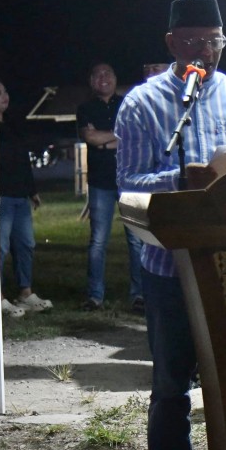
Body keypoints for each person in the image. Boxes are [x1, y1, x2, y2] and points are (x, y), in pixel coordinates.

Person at [115, 0, 226, 450]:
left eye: (214, 41)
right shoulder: (141, 105)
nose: (205, 51)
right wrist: (182, 179)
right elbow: (129, 185)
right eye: (193, 42)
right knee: (171, 386)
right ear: (171, 44)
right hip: (169, 268)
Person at [0, 81, 52, 317]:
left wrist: (32, 190)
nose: (5, 96)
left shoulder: (12, 125)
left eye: (5, 91)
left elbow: (23, 160)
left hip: (19, 195)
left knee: (26, 244)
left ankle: (25, 293)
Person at [77, 61, 144, 313]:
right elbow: (89, 137)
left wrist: (103, 141)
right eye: (98, 74)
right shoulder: (85, 108)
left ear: (115, 78)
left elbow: (135, 137)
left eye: (108, 73)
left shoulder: (128, 105)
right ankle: (95, 296)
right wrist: (117, 137)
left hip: (129, 180)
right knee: (98, 241)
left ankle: (139, 295)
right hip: (100, 182)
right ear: (91, 81)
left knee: (137, 239)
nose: (103, 78)